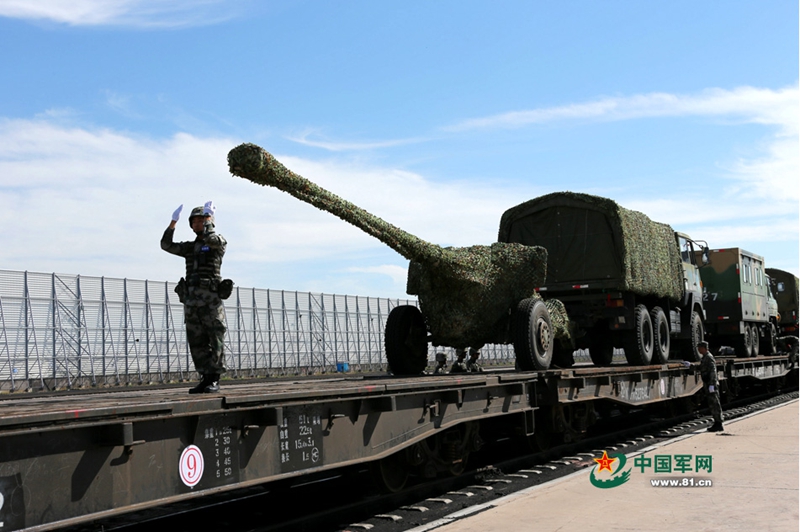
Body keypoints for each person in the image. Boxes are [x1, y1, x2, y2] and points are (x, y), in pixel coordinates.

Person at [161, 202, 227, 393]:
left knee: (215, 338)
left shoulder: (217, 242)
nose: (198, 224)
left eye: (201, 220)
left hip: (211, 300)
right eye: (195, 221)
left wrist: (209, 222)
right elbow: (166, 245)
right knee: (196, 340)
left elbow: (212, 240)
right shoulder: (190, 247)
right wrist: (173, 223)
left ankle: (215, 378)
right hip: (191, 300)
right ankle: (205, 377)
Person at [698, 341, 724, 432]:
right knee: (712, 404)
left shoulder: (709, 357)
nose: (698, 350)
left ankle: (719, 423)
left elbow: (713, 371)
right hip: (708, 384)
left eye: (700, 348)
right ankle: (717, 422)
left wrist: (712, 384)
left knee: (715, 404)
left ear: (704, 348)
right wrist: (691, 366)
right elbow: (701, 368)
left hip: (711, 384)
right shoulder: (705, 357)